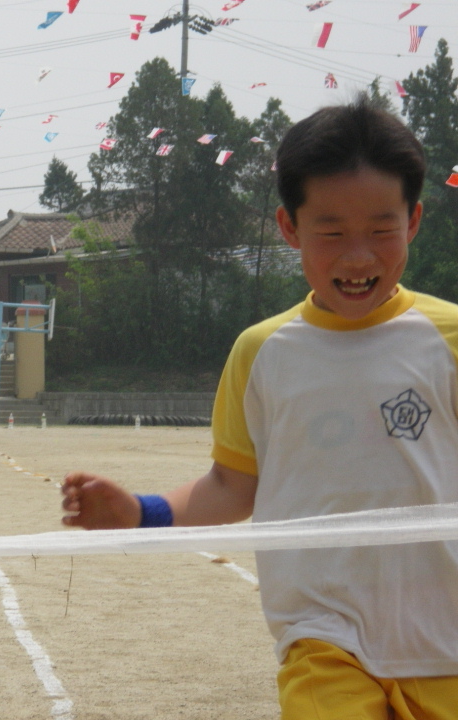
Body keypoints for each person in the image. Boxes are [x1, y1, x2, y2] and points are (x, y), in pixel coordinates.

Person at [60, 97, 458, 720]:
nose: (358, 257)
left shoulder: (449, 338)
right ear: (290, 227)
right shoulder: (261, 352)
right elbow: (231, 484)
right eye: (332, 232)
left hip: (448, 647)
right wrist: (143, 512)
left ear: (413, 220)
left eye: (382, 229)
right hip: (323, 640)